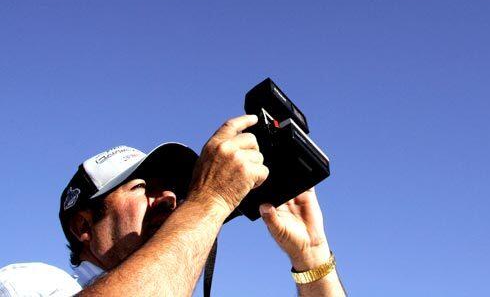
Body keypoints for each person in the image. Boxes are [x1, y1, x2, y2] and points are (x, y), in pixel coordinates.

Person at [0, 115, 346, 296]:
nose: (168, 199)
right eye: (142, 188)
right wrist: (211, 200)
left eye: (174, 192)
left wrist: (312, 258)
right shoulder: (30, 284)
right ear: (84, 226)